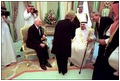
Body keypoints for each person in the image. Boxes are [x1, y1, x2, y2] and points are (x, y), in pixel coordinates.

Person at [92, 1, 119, 80]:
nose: (92, 19)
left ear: (98, 15)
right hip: (104, 44)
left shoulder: (107, 19)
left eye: (93, 17)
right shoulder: (97, 23)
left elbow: (113, 34)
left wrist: (105, 41)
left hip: (111, 46)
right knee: (100, 59)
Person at [51, 10, 76, 75]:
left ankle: (59, 70)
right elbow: (73, 35)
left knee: (58, 56)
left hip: (57, 42)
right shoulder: (72, 24)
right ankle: (64, 71)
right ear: (72, 17)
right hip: (66, 43)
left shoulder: (59, 22)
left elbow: (55, 33)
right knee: (64, 57)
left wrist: (54, 40)